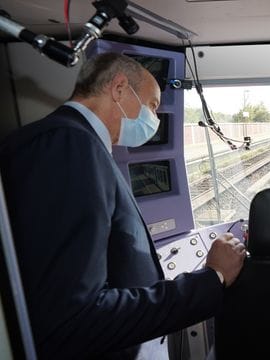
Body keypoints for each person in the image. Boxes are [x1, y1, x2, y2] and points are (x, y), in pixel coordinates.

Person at [0, 53, 246, 359]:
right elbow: (75, 315)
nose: (155, 119)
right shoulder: (67, 145)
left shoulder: (77, 142)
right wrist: (213, 277)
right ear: (118, 89)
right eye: (153, 105)